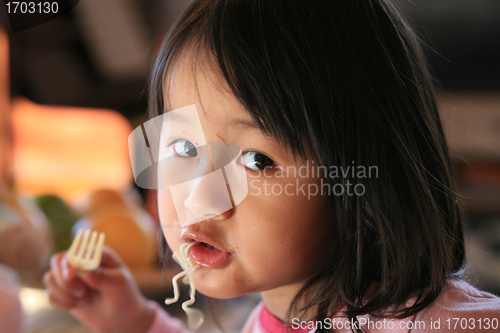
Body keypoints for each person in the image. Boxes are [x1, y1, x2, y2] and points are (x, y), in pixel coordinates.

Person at [43, 0, 500, 332]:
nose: (201, 197)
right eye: (182, 149)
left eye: (255, 159)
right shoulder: (277, 315)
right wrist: (137, 322)